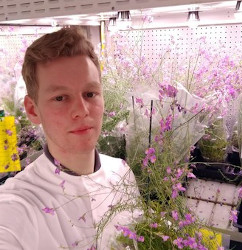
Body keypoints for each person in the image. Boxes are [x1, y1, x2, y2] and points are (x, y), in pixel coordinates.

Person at [0, 26, 139, 249]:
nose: (81, 110)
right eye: (61, 97)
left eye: (90, 93)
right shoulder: (15, 207)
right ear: (33, 110)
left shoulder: (122, 173)